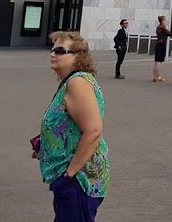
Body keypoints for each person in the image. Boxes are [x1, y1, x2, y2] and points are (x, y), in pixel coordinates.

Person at [35, 31, 109, 221]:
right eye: (52, 49)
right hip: (72, 179)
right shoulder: (70, 82)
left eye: (59, 50)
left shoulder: (77, 83)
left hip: (79, 180)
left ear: (78, 56)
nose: (52, 54)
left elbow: (93, 130)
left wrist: (69, 175)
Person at [152, 15, 170, 83]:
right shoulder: (163, 27)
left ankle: (155, 76)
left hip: (158, 43)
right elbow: (169, 33)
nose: (166, 21)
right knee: (159, 61)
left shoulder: (158, 27)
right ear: (162, 21)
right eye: (165, 20)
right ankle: (157, 77)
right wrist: (166, 27)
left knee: (156, 60)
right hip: (162, 44)